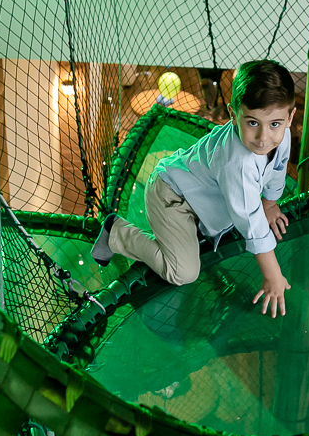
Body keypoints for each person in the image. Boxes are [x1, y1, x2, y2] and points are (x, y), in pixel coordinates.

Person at [92, 60, 296, 317]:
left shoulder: (282, 136)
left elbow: (278, 169)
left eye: (274, 124)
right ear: (233, 115)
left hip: (199, 200)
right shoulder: (239, 163)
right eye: (253, 123)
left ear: (289, 117)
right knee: (183, 273)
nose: (264, 137)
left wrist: (270, 205)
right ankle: (116, 232)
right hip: (172, 197)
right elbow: (251, 223)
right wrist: (273, 277)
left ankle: (195, 230)